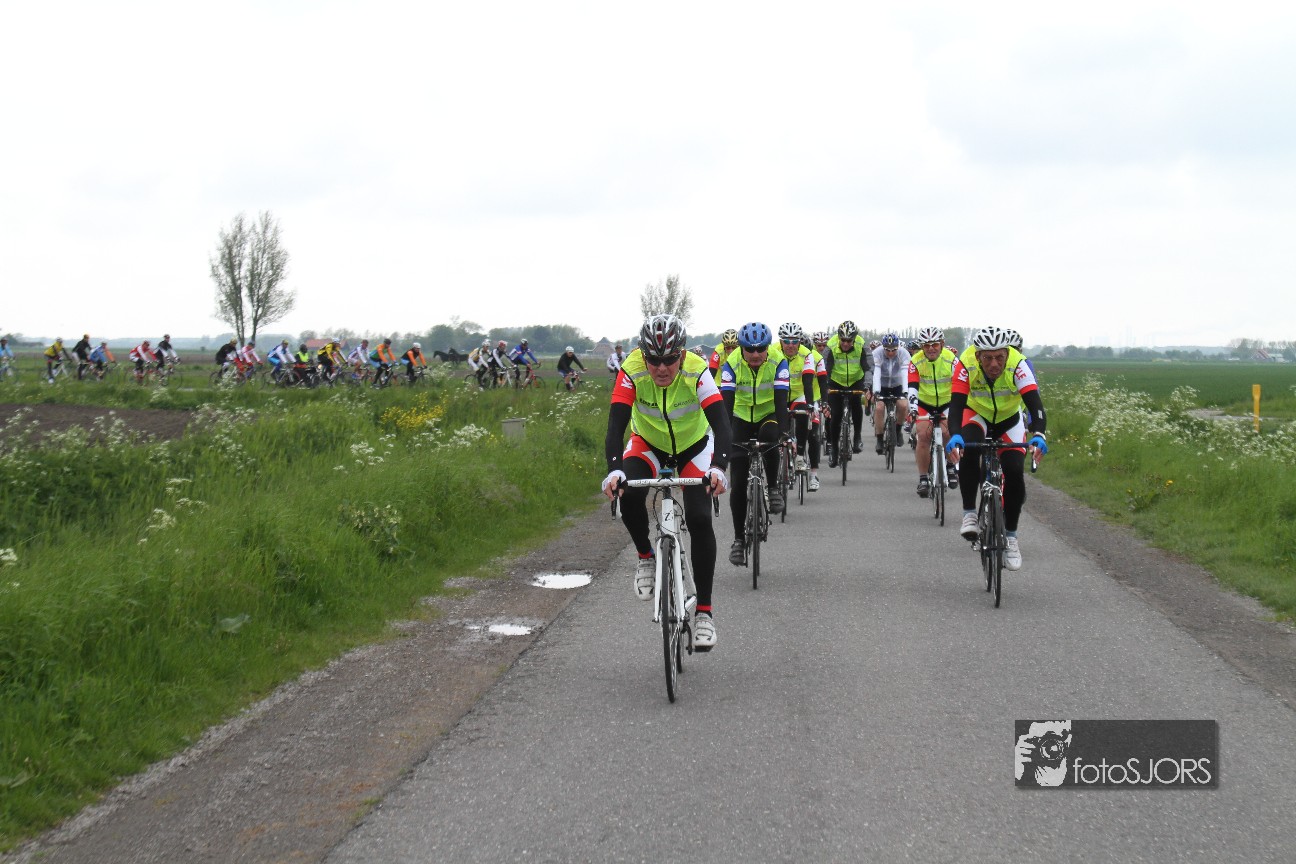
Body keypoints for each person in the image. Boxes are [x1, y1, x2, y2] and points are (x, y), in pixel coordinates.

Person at [601, 314, 731, 650]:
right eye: (654, 360)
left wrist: (718, 468)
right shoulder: (631, 369)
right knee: (628, 492)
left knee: (700, 518)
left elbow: (721, 424)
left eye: (670, 359)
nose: (661, 368)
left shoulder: (697, 370)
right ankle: (646, 556)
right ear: (643, 355)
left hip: (694, 447)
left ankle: (704, 613)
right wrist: (614, 470)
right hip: (649, 444)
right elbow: (615, 426)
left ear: (682, 354)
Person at [946, 326, 1048, 571]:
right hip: (976, 414)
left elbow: (1035, 406)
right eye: (988, 358)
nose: (994, 364)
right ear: (978, 355)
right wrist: (956, 435)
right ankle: (969, 513)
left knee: (1014, 470)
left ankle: (1011, 538)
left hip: (1008, 419)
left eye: (999, 357)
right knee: (970, 450)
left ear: (1007, 353)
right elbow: (956, 406)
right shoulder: (965, 364)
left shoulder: (1018, 364)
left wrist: (1039, 434)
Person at [720, 321, 791, 564]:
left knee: (771, 438)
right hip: (740, 417)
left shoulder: (778, 362)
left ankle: (773, 489)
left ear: (768, 347)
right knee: (738, 483)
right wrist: (724, 436)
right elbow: (726, 405)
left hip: (768, 414)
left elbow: (781, 401)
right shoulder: (731, 365)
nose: (755, 354)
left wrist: (784, 432)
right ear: (741, 348)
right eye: (750, 349)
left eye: (761, 348)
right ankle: (739, 540)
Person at [907, 327, 959, 498]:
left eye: (935, 344)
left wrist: (959, 408)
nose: (931, 349)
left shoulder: (952, 360)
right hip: (924, 403)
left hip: (947, 402)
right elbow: (912, 388)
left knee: (947, 433)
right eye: (926, 345)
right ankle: (923, 478)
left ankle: (950, 466)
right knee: (923, 436)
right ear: (922, 347)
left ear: (942, 344)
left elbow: (959, 387)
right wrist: (913, 409)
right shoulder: (915, 361)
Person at [771, 323, 821, 492]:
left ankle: (799, 456)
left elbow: (808, 382)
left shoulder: (807, 355)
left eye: (794, 341)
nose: (790, 345)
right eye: (787, 341)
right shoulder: (773, 351)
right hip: (778, 394)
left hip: (798, 394)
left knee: (803, 414)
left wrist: (809, 404)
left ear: (799, 341)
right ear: (781, 341)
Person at [822, 321, 872, 466]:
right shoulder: (831, 346)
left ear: (854, 339)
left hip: (856, 380)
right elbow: (824, 370)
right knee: (836, 415)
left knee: (856, 405)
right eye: (842, 340)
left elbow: (868, 368)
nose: (845, 343)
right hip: (836, 382)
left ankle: (857, 437)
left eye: (849, 341)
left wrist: (867, 387)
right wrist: (825, 387)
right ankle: (834, 450)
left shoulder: (862, 345)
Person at [871, 333, 912, 454]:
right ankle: (879, 439)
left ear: (897, 347)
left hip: (897, 384)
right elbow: (876, 373)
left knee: (903, 405)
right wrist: (876, 391)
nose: (890, 353)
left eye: (893, 350)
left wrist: (906, 391)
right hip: (882, 385)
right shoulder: (877, 353)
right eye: (887, 350)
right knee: (879, 408)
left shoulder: (904, 353)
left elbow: (905, 373)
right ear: (883, 347)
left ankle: (898, 430)